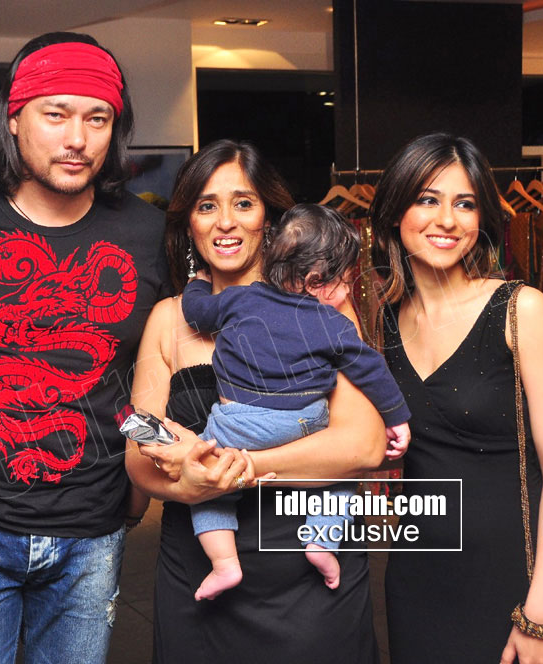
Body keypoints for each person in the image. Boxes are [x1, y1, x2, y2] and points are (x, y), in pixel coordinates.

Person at [0, 32, 168, 663]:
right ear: (14, 119)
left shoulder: (148, 232)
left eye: (97, 119)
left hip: (92, 525)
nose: (77, 138)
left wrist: (140, 484)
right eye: (56, 114)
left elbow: (172, 360)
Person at [126, 139, 386, 663]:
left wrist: (232, 470)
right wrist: (183, 479)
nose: (226, 222)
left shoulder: (318, 306)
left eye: (243, 203)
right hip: (198, 573)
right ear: (189, 224)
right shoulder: (168, 318)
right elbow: (139, 449)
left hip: (311, 576)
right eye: (207, 205)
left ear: (268, 217)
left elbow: (364, 446)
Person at [370, 133, 543, 663]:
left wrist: (542, 613)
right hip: (418, 580)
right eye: (428, 199)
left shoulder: (520, 309)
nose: (447, 219)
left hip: (518, 583)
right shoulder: (385, 322)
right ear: (396, 212)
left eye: (464, 204)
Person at [181, 203, 411, 600]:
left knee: (208, 481)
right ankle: (321, 540)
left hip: (237, 424)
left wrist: (198, 283)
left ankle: (224, 563)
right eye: (345, 282)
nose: (347, 293)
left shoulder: (239, 299)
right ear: (315, 280)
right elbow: (369, 367)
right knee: (340, 478)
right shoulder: (332, 322)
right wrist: (397, 417)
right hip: (306, 423)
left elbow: (196, 312)